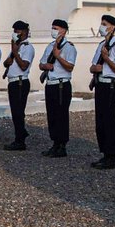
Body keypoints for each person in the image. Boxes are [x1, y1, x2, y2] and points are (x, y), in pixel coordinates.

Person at [88, 14, 115, 169]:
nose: (102, 26)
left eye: (104, 24)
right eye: (101, 23)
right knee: (100, 122)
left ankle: (112, 156)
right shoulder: (101, 44)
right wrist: (96, 68)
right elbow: (93, 66)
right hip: (100, 85)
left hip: (109, 85)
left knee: (109, 121)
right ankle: (104, 153)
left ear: (112, 27)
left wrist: (106, 60)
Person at [38, 18, 76, 157]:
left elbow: (70, 66)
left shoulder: (69, 47)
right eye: (52, 27)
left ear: (64, 31)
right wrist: (45, 66)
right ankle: (54, 143)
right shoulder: (50, 46)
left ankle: (62, 146)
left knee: (61, 115)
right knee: (52, 115)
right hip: (51, 84)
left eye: (56, 28)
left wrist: (58, 57)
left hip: (61, 84)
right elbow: (41, 64)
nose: (53, 30)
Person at [2, 20, 36, 151]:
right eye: (14, 31)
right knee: (15, 112)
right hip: (13, 82)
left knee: (18, 112)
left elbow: (23, 66)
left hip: (21, 82)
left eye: (17, 31)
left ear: (25, 32)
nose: (15, 33)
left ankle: (20, 140)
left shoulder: (27, 47)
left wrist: (15, 52)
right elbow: (6, 63)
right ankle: (21, 133)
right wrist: (13, 52)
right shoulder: (17, 46)